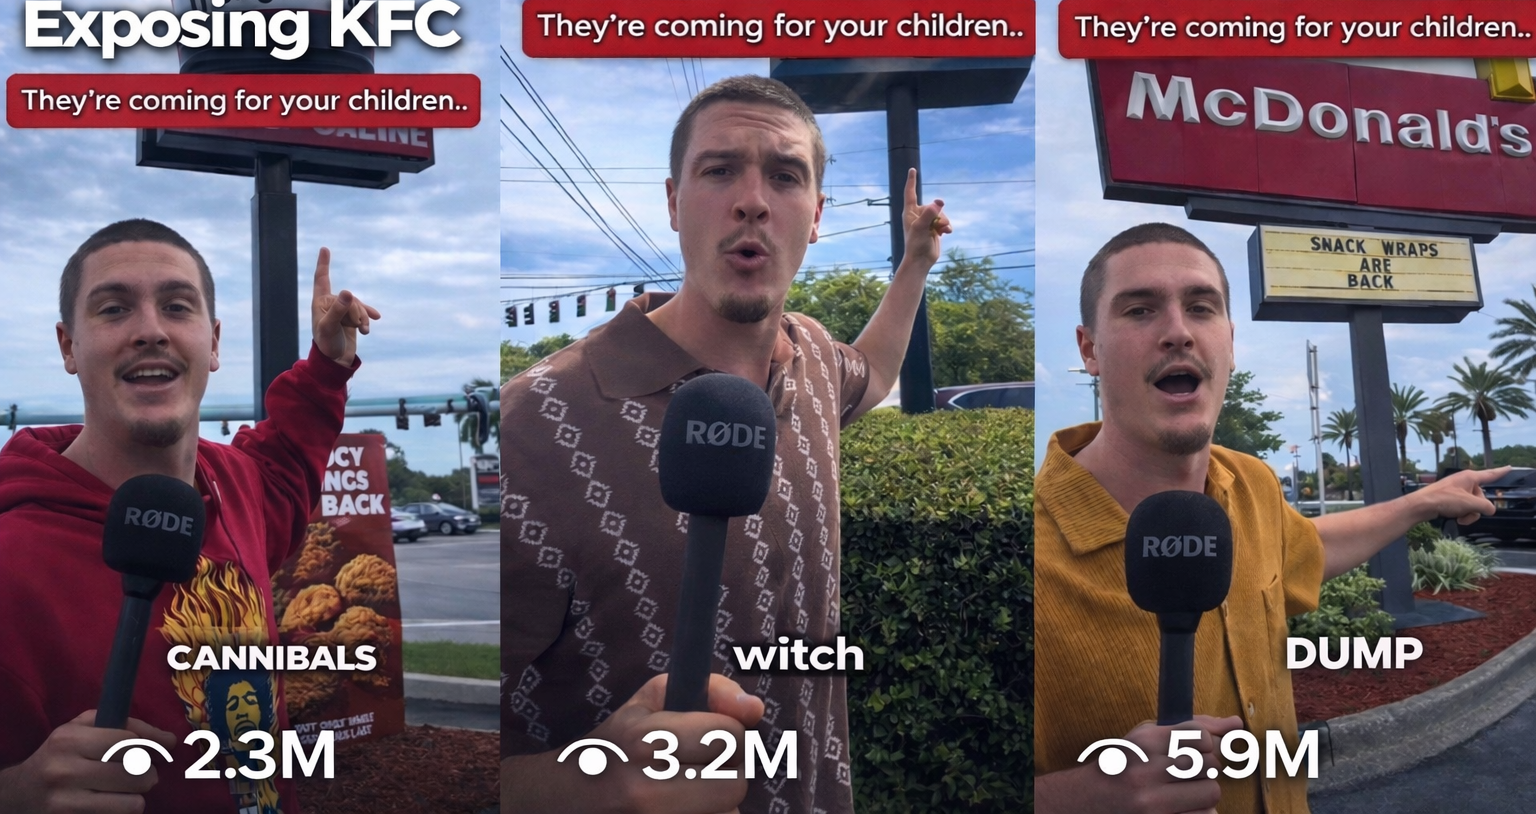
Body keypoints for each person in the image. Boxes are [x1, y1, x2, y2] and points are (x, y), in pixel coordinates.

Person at [501, 75, 952, 814]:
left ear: (815, 216)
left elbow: (874, 371)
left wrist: (916, 261)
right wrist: (593, 783)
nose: (752, 201)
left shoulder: (812, 356)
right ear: (674, 203)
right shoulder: (535, 421)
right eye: (719, 170)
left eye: (785, 175)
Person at [1034, 222, 1505, 814]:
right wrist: (1079, 798)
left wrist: (1425, 501)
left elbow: (1303, 548)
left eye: (1201, 307)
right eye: (1139, 310)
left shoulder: (1251, 483)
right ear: (1089, 350)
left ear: (1229, 342)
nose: (1178, 331)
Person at [0, 219, 378, 813]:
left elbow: (289, 452)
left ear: (214, 342)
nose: (151, 330)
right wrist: (15, 794)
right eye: (113, 309)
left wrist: (328, 366)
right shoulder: (11, 555)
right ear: (68, 347)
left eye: (177, 306)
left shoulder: (237, 485)